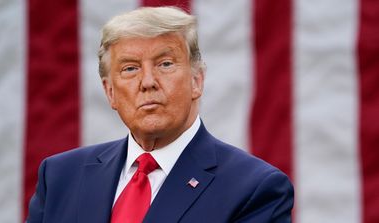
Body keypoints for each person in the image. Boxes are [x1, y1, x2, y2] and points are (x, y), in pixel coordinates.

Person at [26, 6, 294, 223]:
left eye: (165, 64)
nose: (148, 81)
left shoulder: (254, 189)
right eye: (130, 69)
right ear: (110, 92)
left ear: (196, 81)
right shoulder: (60, 176)